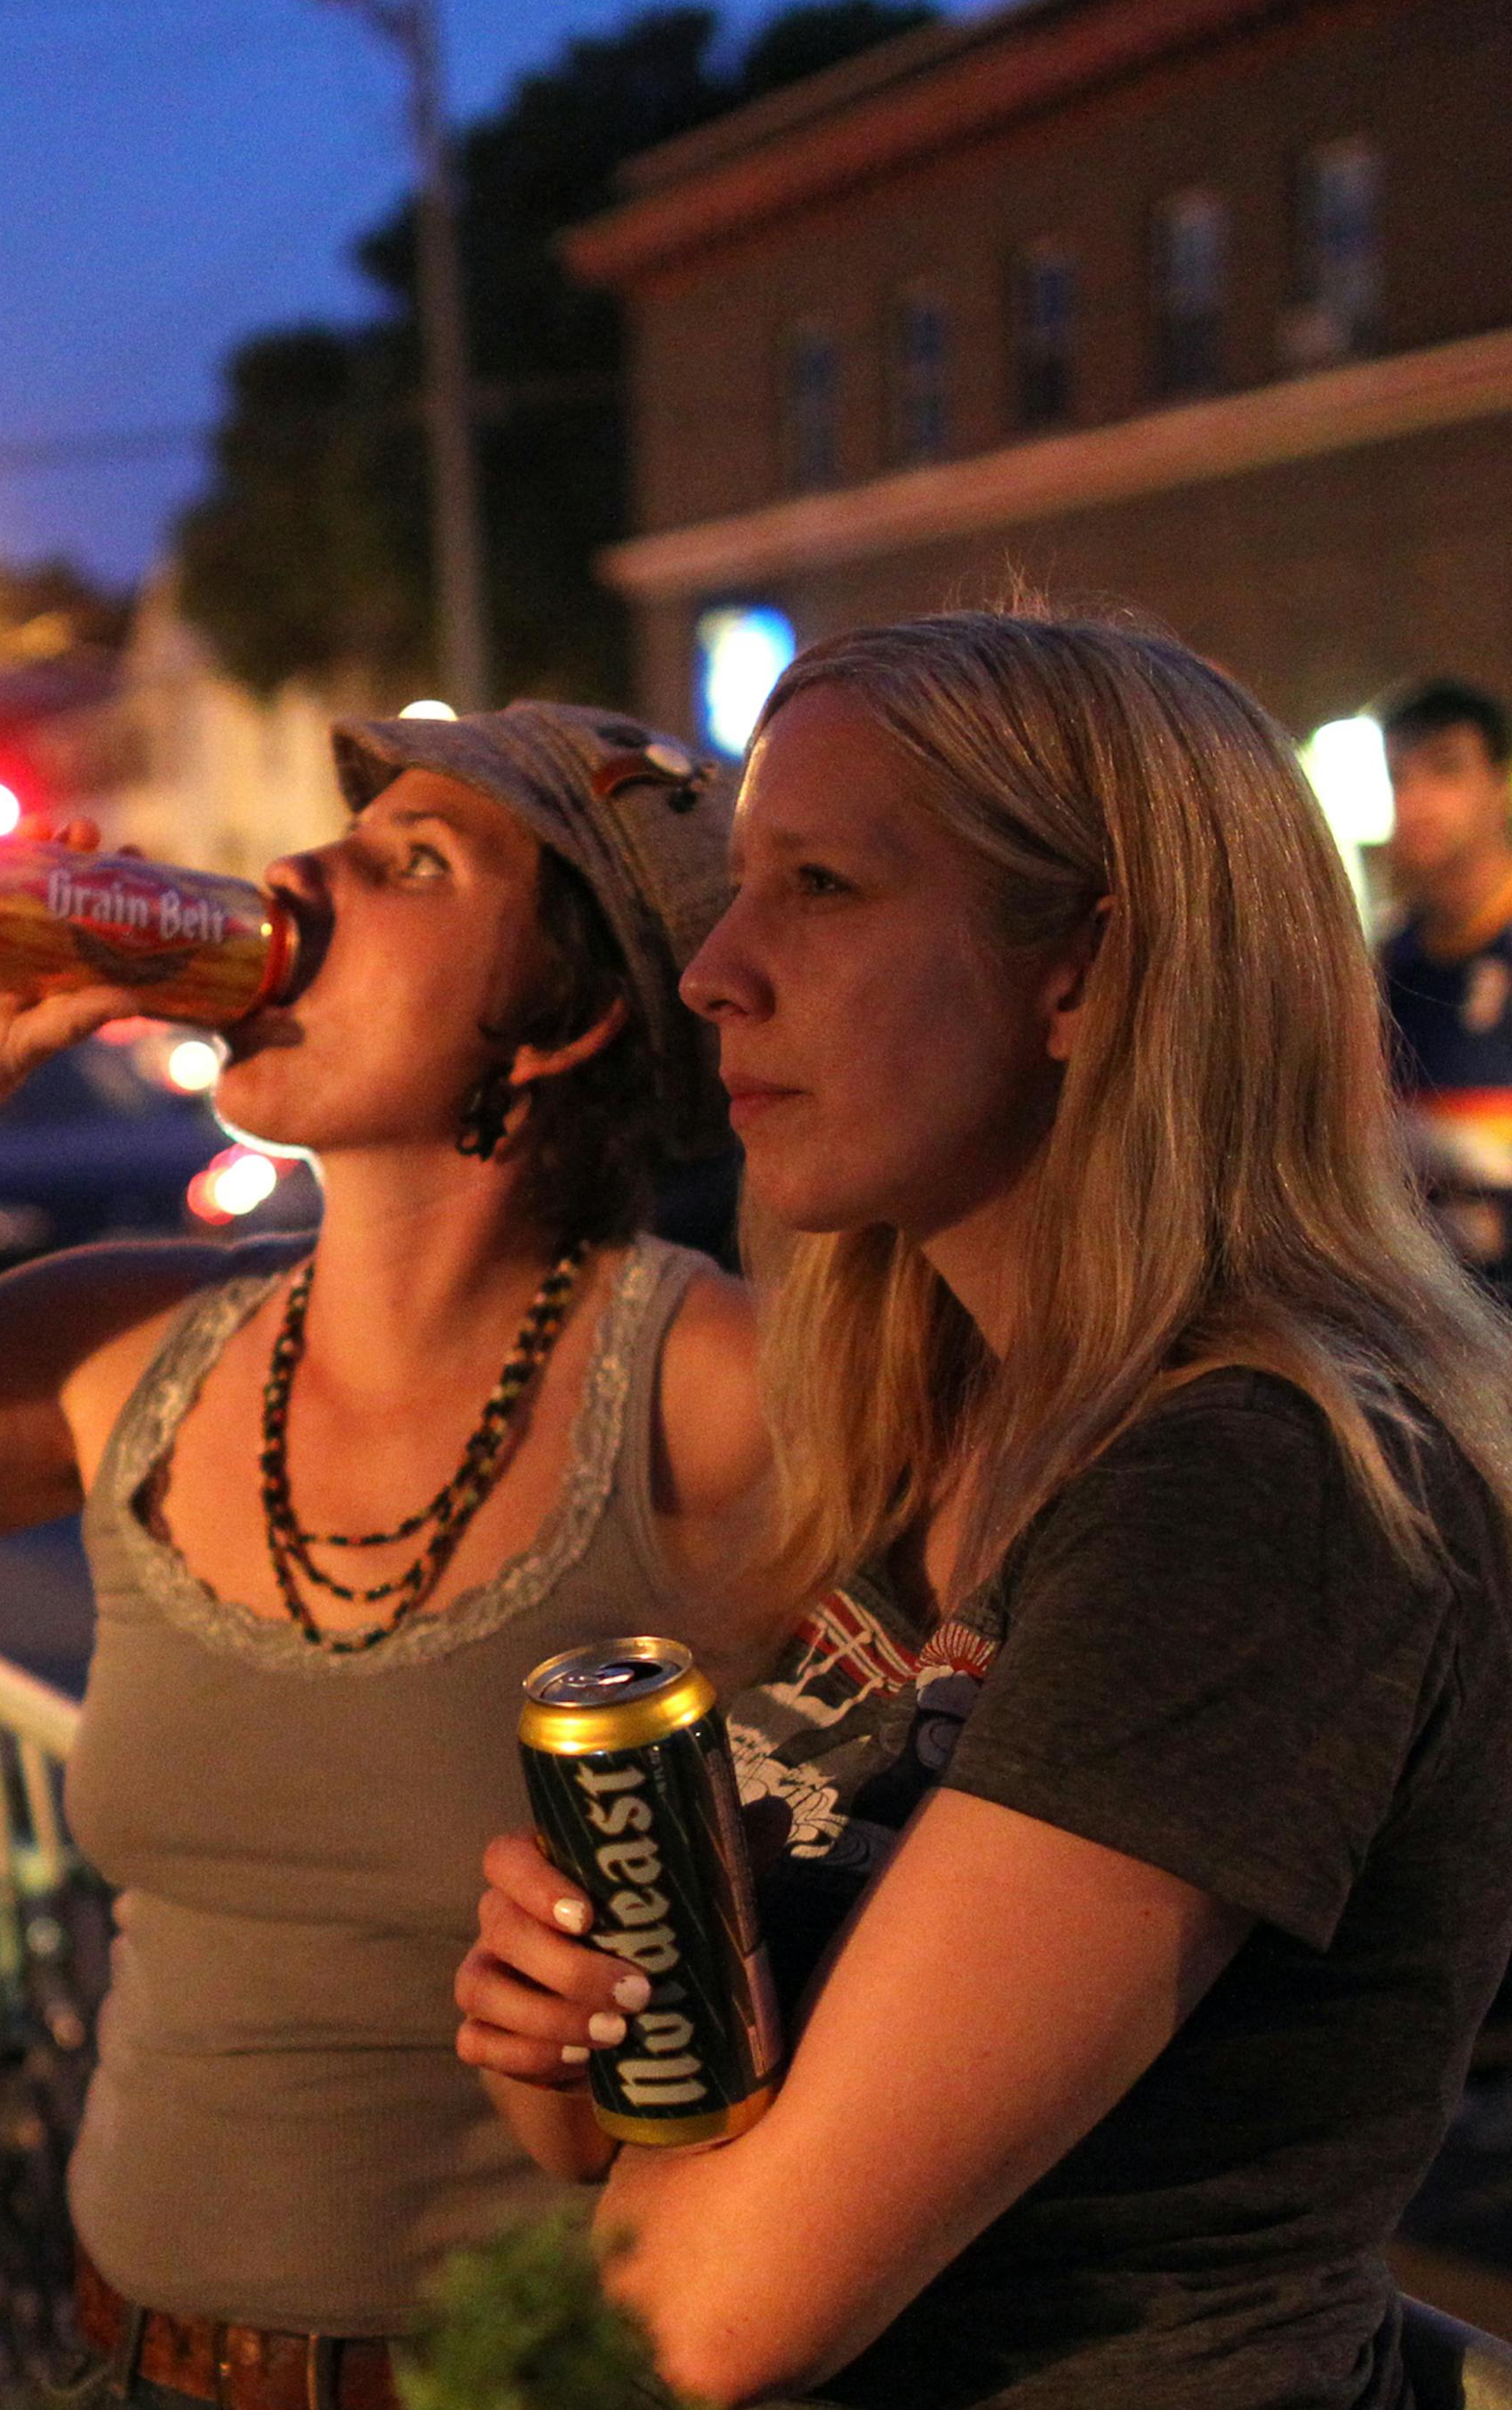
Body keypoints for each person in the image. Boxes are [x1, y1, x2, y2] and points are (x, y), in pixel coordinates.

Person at [0, 704, 791, 2409]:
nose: (300, 871)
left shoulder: (711, 1386)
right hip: (118, 2361)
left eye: (414, 863)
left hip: (502, 2378)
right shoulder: (124, 1342)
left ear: (568, 1013)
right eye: (341, 837)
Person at [457, 615, 1512, 2410]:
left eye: (823, 887)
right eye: (734, 891)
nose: (716, 967)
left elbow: (711, 2317)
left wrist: (679, 2197)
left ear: (1084, 973)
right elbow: (623, 2150)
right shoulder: (944, 1421)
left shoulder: (1250, 1496)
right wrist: (562, 2024)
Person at [1378, 678, 1512, 1288]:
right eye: (1399, 777)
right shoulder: (1384, 968)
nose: (1418, 800)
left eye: (1446, 770)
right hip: (1427, 1328)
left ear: (1502, 783)